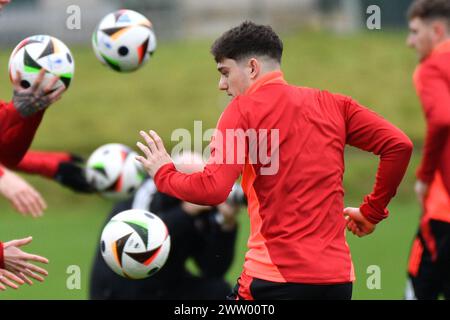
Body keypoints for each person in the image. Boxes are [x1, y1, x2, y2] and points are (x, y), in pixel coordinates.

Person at [136, 21, 413, 300]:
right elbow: (398, 146)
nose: (221, 85)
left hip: (275, 279)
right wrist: (372, 211)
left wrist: (163, 173)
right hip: (337, 281)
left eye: (225, 72)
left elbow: (213, 189)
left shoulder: (241, 111)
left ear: (252, 67)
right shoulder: (334, 104)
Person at [89, 152, 242, 300]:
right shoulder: (146, 192)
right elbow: (142, 243)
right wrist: (186, 211)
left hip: (164, 284)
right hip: (121, 283)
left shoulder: (203, 207)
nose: (198, 187)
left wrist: (226, 224)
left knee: (218, 291)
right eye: (195, 181)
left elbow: (213, 269)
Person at [405, 0, 450, 300]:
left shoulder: (430, 68)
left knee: (418, 286)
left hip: (443, 211)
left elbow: (442, 118)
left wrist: (423, 175)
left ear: (436, 30)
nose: (409, 42)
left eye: (414, 32)